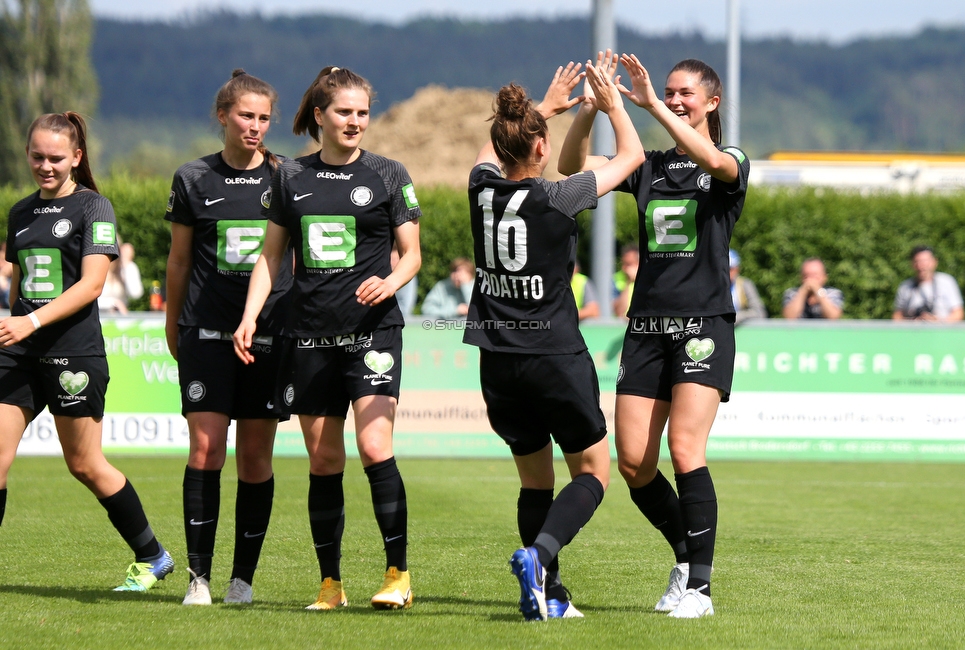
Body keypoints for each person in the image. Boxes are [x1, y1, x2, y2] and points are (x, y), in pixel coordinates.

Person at [559, 53, 750, 618]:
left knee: (686, 450)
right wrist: (592, 111)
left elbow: (715, 159)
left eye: (684, 93)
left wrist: (646, 108)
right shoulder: (649, 166)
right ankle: (687, 560)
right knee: (634, 464)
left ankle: (701, 591)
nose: (674, 99)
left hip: (702, 328)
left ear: (712, 102)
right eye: (668, 92)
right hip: (645, 329)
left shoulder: (730, 159)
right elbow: (574, 171)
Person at [233, 66, 422, 612]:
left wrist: (389, 281)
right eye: (344, 112)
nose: (355, 121)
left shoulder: (389, 173)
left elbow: (412, 254)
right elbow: (270, 257)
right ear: (320, 116)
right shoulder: (289, 176)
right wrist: (250, 316)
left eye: (363, 112)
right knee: (323, 462)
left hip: (373, 331)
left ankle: (397, 574)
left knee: (374, 446)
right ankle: (330, 584)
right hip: (309, 334)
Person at [465, 57, 643, 621]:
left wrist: (542, 109)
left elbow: (490, 153)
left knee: (533, 480)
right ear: (541, 149)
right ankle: (540, 558)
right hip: (554, 356)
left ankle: (550, 596)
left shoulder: (480, 189)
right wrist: (610, 106)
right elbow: (632, 158)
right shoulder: (559, 196)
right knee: (592, 473)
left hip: (497, 361)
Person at [0, 112, 173, 591]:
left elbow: (93, 283)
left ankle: (152, 555)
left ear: (76, 157)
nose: (45, 166)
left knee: (85, 465)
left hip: (73, 355)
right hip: (19, 354)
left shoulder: (94, 207)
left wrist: (30, 320)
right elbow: (17, 289)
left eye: (56, 157)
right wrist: (15, 324)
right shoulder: (19, 212)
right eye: (37, 156)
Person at [165, 70, 293, 606]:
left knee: (256, 458)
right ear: (223, 116)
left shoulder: (287, 177)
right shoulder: (192, 178)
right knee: (205, 448)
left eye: (264, 118)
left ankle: (242, 580)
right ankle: (199, 577)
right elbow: (179, 259)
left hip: (270, 335)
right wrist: (175, 325)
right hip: (207, 333)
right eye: (246, 116)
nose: (256, 127)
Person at [892, 245, 964, 322]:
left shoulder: (946, 282)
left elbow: (958, 313)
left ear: (934, 262)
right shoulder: (905, 286)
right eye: (918, 261)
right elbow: (897, 315)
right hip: (913, 332)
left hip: (942, 331)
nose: (921, 266)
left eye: (925, 261)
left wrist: (939, 322)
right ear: (912, 264)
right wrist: (912, 322)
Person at [729, 249, 766, 323]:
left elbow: (759, 312)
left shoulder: (745, 285)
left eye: (731, 269)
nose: (728, 272)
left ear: (737, 269)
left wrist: (736, 317)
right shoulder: (712, 286)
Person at [613, 244, 639, 318]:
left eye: (628, 264)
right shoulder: (616, 278)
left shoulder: (648, 278)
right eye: (623, 263)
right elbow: (619, 312)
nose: (624, 268)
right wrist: (628, 282)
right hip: (621, 326)